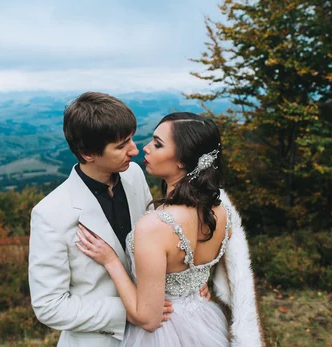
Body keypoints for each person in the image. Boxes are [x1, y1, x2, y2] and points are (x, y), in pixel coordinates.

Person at [29, 93, 209, 347]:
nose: (135, 150)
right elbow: (49, 306)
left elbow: (159, 244)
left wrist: (191, 284)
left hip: (160, 335)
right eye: (121, 145)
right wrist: (131, 311)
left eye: (132, 139)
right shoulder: (50, 214)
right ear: (88, 153)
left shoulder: (134, 175)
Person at [76, 112, 264, 346]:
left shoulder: (155, 226)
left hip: (162, 334)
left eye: (157, 144)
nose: (144, 148)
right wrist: (197, 283)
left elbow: (148, 319)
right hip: (204, 322)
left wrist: (111, 261)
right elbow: (202, 264)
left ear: (182, 161)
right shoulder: (221, 211)